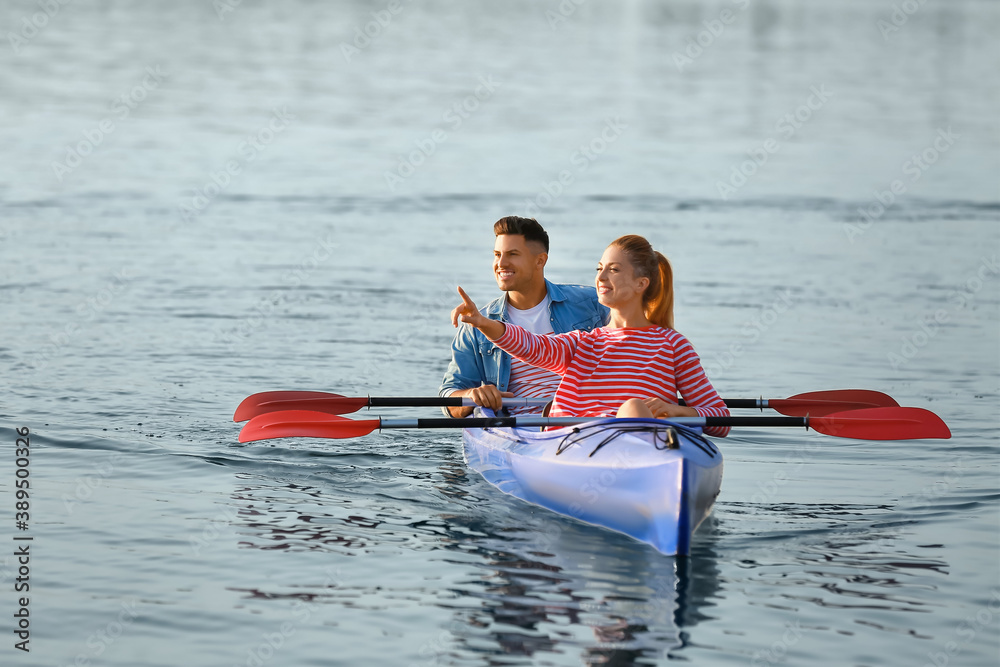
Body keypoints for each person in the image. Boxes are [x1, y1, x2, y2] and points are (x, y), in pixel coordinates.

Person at [451, 234, 731, 437]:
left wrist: (677, 410)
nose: (601, 277)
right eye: (599, 269)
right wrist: (482, 322)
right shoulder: (582, 342)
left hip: (650, 453)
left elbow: (720, 420)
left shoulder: (673, 344)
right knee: (634, 409)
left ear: (640, 283)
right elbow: (531, 347)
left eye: (614, 269)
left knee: (634, 410)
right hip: (570, 448)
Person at [439, 216, 609, 418]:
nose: (501, 263)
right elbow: (449, 397)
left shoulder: (591, 303)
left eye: (512, 254)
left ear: (540, 260)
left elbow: (639, 334)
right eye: (497, 254)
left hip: (585, 424)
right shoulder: (478, 324)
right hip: (517, 437)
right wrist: (472, 395)